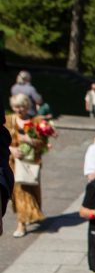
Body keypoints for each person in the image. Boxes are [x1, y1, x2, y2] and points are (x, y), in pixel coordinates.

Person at [7, 93, 47, 238]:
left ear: (27, 107)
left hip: (31, 164)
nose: (19, 109)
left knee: (33, 192)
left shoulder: (36, 122)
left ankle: (31, 213)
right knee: (18, 192)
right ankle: (21, 223)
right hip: (13, 164)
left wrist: (29, 140)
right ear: (12, 107)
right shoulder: (8, 121)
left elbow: (43, 144)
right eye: (17, 107)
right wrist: (11, 149)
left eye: (22, 106)